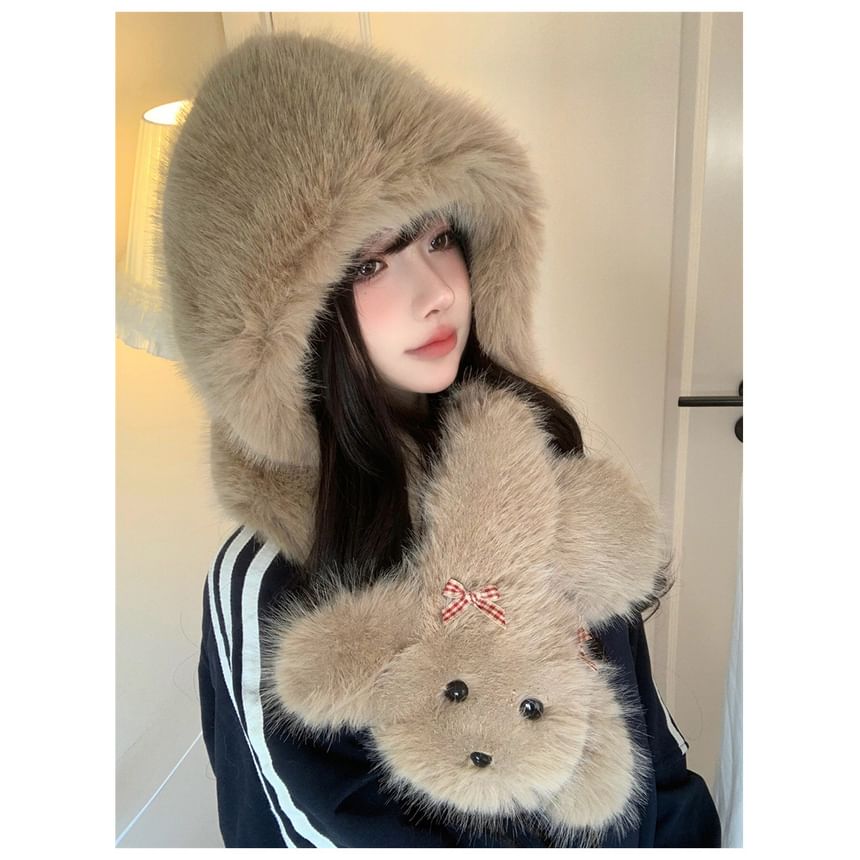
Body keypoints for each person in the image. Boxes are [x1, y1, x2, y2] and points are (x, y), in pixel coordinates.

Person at [161, 31, 721, 848]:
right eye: (368, 266)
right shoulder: (270, 579)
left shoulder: (543, 486)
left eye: (438, 239)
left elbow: (650, 761)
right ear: (280, 325)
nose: (434, 294)